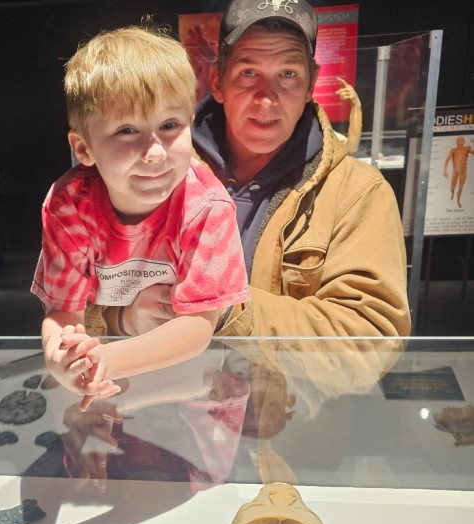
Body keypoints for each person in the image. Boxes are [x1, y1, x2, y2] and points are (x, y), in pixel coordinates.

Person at [87, 0, 411, 342]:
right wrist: (122, 318)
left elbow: (372, 337)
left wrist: (226, 307)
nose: (266, 98)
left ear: (311, 85)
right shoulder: (145, 170)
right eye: (248, 73)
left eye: (288, 74)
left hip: (273, 380)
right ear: (217, 81)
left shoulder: (357, 193)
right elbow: (68, 295)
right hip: (159, 376)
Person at [31, 26, 250, 409]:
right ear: (83, 147)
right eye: (127, 130)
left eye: (169, 126)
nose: (155, 152)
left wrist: (108, 360)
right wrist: (61, 356)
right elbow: (63, 310)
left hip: (198, 383)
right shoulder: (69, 205)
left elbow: (199, 326)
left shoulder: (205, 205)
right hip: (111, 385)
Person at [443, 136, 474, 208]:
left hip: (463, 172)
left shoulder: (467, 148)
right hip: (455, 172)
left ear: (464, 142)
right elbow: (447, 160)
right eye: (459, 140)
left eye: (462, 140)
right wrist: (445, 171)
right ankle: (452, 193)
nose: (461, 142)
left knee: (460, 188)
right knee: (452, 188)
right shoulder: (453, 150)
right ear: (457, 142)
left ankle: (458, 201)